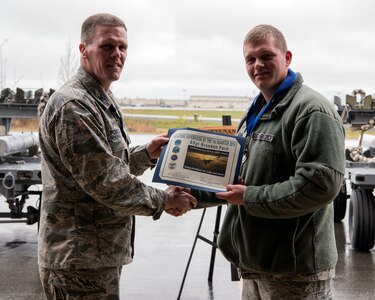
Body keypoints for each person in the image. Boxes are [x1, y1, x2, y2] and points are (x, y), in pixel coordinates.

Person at [169, 24, 345, 299]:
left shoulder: (311, 110)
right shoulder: (257, 111)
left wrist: (250, 197)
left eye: (266, 56)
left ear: (287, 57)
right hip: (254, 264)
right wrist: (191, 194)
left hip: (295, 271)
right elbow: (235, 181)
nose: (257, 65)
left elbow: (320, 185)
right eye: (250, 59)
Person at [38, 13, 196, 299]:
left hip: (96, 255)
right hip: (77, 260)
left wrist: (146, 154)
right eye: (108, 46)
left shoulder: (102, 98)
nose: (118, 54)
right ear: (84, 49)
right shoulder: (75, 106)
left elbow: (111, 162)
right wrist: (165, 200)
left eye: (123, 47)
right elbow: (105, 180)